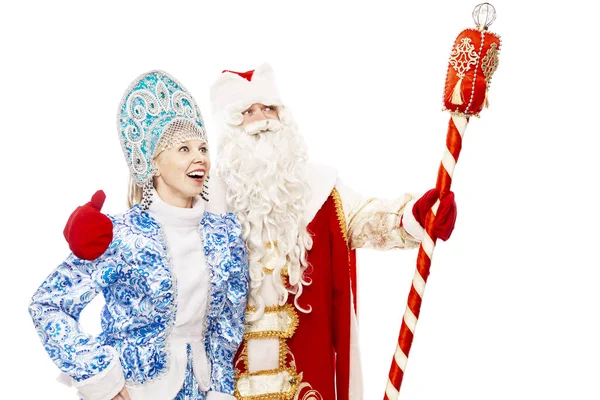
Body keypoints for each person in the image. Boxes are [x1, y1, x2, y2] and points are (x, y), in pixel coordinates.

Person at [63, 63, 457, 399]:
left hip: (305, 372)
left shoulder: (318, 187)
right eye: (247, 112)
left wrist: (414, 217)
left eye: (269, 108)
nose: (261, 119)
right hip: (218, 383)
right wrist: (98, 235)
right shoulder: (204, 194)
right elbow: (155, 228)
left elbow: (366, 220)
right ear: (228, 129)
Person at [28, 70, 249, 400]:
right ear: (154, 164)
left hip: (199, 391)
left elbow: (225, 329)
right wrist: (101, 375)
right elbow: (48, 304)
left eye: (203, 148)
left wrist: (220, 391)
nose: (200, 157)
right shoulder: (122, 236)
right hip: (134, 391)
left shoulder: (226, 237)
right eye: (184, 149)